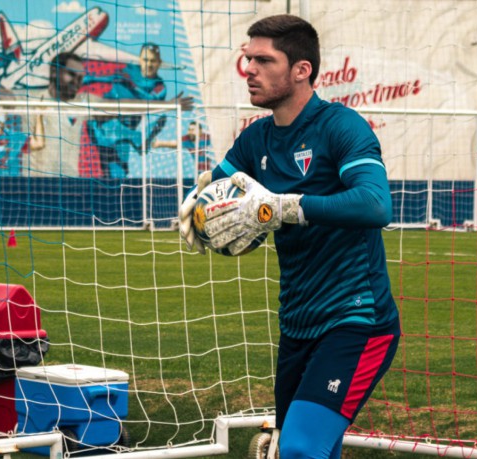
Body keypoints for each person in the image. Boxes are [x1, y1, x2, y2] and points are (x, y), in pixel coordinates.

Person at [178, 14, 399, 458]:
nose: (250, 70)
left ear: (302, 70)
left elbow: (376, 205)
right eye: (248, 59)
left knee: (298, 448)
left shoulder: (341, 126)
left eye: (264, 60)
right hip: (297, 324)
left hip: (357, 320)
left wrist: (284, 206)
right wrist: (199, 207)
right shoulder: (254, 140)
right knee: (312, 449)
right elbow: (215, 192)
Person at [85, 43, 194, 178]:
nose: (149, 64)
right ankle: (138, 138)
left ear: (159, 63)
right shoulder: (129, 70)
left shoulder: (159, 87)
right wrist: (88, 78)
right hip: (103, 122)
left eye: (153, 61)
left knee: (117, 173)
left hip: (122, 131)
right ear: (140, 59)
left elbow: (144, 104)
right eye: (146, 60)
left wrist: (169, 105)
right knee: (100, 116)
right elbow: (109, 77)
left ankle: (137, 138)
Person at [26, 52, 87, 178]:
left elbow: (122, 105)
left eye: (80, 78)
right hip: (37, 181)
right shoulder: (32, 100)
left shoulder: (83, 103)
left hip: (70, 184)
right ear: (54, 71)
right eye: (71, 74)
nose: (76, 82)